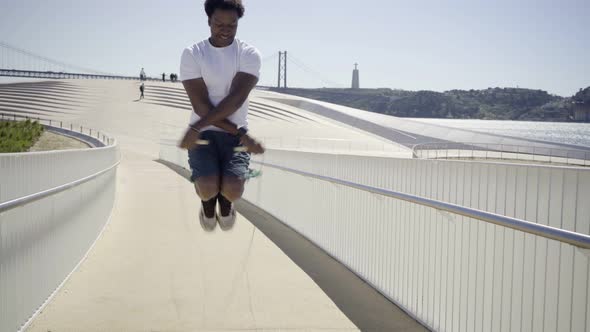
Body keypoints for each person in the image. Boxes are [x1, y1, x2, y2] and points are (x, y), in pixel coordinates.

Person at [178, 0, 264, 231]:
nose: (225, 29)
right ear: (208, 21)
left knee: (233, 189)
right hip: (208, 133)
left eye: (232, 24)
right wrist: (238, 132)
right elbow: (201, 105)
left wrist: (196, 127)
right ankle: (208, 203)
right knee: (207, 187)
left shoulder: (249, 54)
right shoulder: (193, 54)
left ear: (238, 24)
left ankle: (226, 203)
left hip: (226, 134)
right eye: (219, 23)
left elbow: (235, 100)